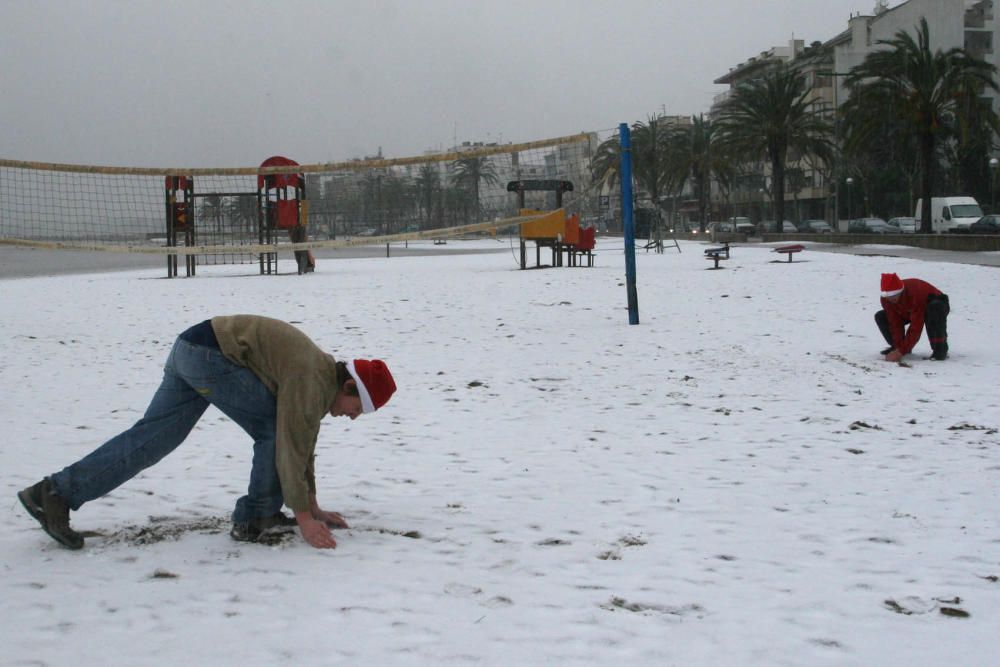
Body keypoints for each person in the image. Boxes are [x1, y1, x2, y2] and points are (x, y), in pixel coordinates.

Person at [17, 315, 396, 550]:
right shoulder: (310, 379)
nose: (353, 418)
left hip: (191, 347)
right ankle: (256, 518)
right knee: (272, 429)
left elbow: (303, 440)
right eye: (358, 409)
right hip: (209, 354)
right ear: (349, 388)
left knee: (153, 440)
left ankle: (54, 493)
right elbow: (291, 443)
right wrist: (303, 518)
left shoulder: (318, 380)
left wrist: (310, 503)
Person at [875, 273, 950, 362]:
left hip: (936, 305)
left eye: (894, 296)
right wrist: (899, 349)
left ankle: (940, 350)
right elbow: (894, 323)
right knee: (881, 316)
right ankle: (897, 347)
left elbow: (916, 327)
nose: (891, 299)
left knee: (934, 309)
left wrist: (901, 352)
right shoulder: (886, 300)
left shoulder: (915, 294)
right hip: (907, 312)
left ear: (900, 291)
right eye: (889, 297)